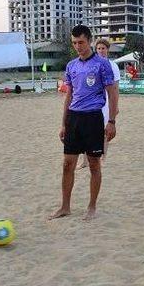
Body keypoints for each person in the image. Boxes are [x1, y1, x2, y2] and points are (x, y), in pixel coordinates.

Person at [50, 25, 119, 221]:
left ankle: (92, 207)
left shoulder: (101, 64)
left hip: (93, 118)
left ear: (89, 41)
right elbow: (69, 95)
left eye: (80, 42)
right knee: (67, 165)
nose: (77, 46)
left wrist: (112, 121)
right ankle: (65, 207)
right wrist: (63, 123)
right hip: (74, 118)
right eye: (74, 43)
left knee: (94, 164)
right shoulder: (71, 65)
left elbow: (112, 93)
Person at [78, 38, 121, 169]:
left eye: (103, 48)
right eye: (99, 48)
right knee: (86, 132)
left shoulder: (113, 66)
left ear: (107, 50)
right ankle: (85, 161)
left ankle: (103, 158)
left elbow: (116, 88)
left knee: (104, 132)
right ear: (95, 50)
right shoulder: (91, 64)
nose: (101, 51)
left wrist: (116, 105)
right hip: (92, 101)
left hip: (107, 102)